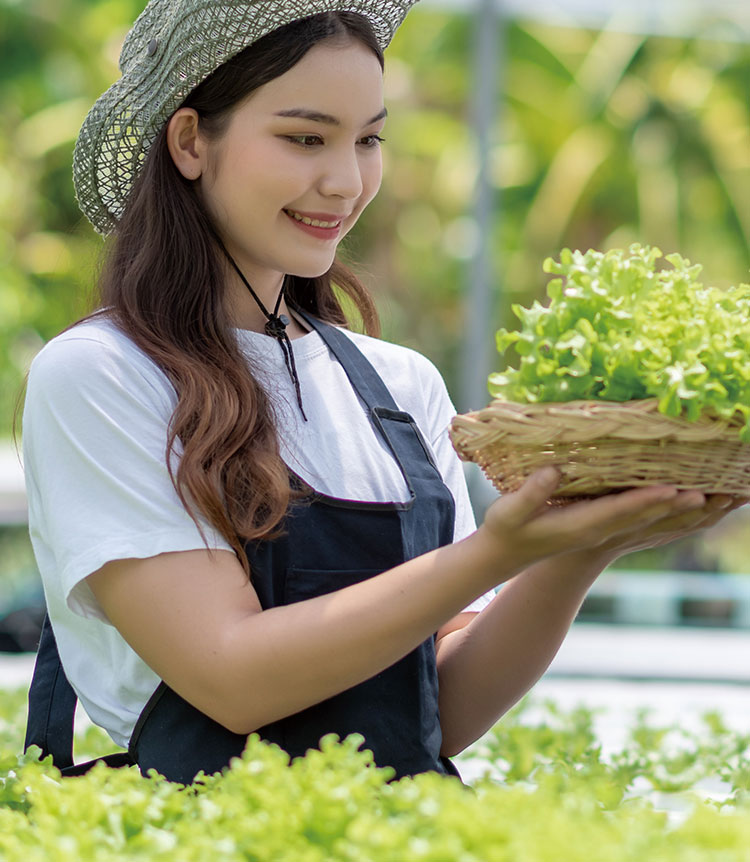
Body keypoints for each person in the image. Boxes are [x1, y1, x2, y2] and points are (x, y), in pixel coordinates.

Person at [21, 0, 743, 784]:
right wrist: (493, 551)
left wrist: (576, 550)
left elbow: (440, 713)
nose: (345, 180)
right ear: (192, 141)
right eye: (305, 138)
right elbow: (232, 680)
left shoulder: (400, 387)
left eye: (368, 139)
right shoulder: (102, 374)